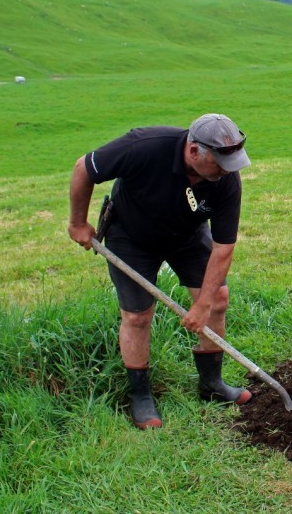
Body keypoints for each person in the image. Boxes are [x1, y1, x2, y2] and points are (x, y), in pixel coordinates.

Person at [68, 113, 253, 429]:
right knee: (138, 316)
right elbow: (84, 167)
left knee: (218, 300)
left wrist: (203, 303)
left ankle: (211, 384)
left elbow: (223, 248)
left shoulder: (225, 180)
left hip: (187, 236)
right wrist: (77, 222)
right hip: (131, 236)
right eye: (221, 163)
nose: (227, 170)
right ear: (194, 151)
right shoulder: (144, 146)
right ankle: (141, 396)